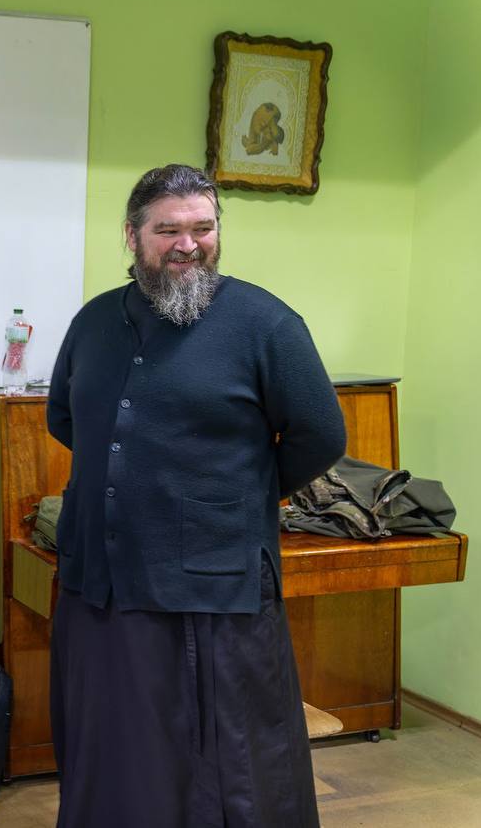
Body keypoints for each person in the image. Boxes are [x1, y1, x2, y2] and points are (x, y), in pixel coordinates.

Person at [46, 163, 347, 827]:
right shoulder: (93, 321)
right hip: (102, 579)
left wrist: (236, 494)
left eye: (203, 228)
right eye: (168, 230)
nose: (188, 244)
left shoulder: (265, 323)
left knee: (223, 768)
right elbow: (66, 419)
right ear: (132, 235)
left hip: (214, 583)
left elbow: (321, 434)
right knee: (115, 755)